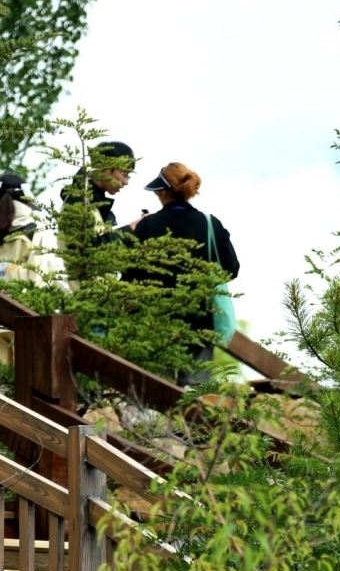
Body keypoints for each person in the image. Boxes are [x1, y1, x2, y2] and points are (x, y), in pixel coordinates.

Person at [121, 162, 240, 387]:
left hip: (154, 324)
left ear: (164, 192)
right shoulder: (210, 224)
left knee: (153, 392)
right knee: (195, 395)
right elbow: (232, 268)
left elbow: (129, 275)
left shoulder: (147, 226)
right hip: (200, 325)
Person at [0, 173, 67, 363]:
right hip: (27, 322)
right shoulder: (37, 232)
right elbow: (47, 278)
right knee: (27, 379)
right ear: (27, 201)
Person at [59, 141, 147, 245]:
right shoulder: (79, 198)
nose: (126, 182)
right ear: (106, 167)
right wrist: (131, 229)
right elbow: (87, 247)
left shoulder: (94, 201)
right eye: (124, 173)